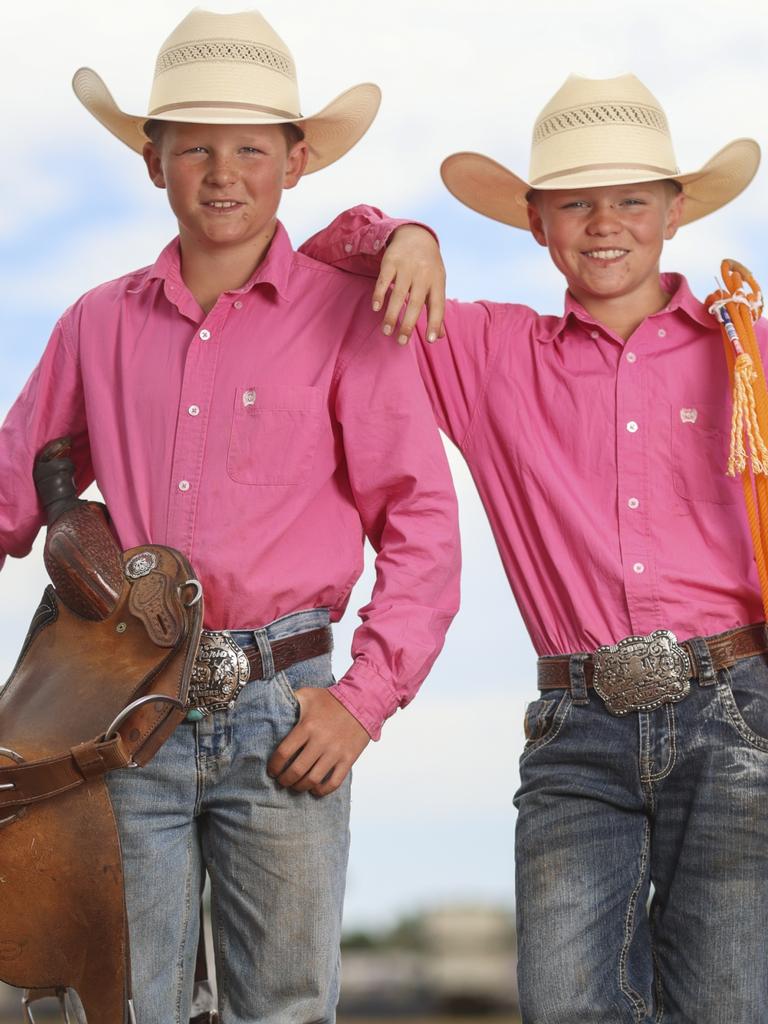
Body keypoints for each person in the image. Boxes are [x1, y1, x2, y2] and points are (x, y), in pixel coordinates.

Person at [0, 10, 460, 1023]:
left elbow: (422, 523)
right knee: (122, 1001)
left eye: (251, 147)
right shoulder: (94, 323)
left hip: (288, 709)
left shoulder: (350, 316)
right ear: (150, 161)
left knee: (287, 1007)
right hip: (120, 708)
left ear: (296, 162)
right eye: (194, 146)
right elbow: (5, 487)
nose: (223, 172)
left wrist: (363, 700)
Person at [301, 73, 768, 1023]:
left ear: (676, 212)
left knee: (727, 1001)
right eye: (576, 202)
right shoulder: (486, 352)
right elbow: (320, 267)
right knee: (562, 1002)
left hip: (737, 715)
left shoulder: (749, 353)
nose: (606, 223)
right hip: (576, 727)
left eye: (633, 199)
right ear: (535, 220)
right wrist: (404, 236)